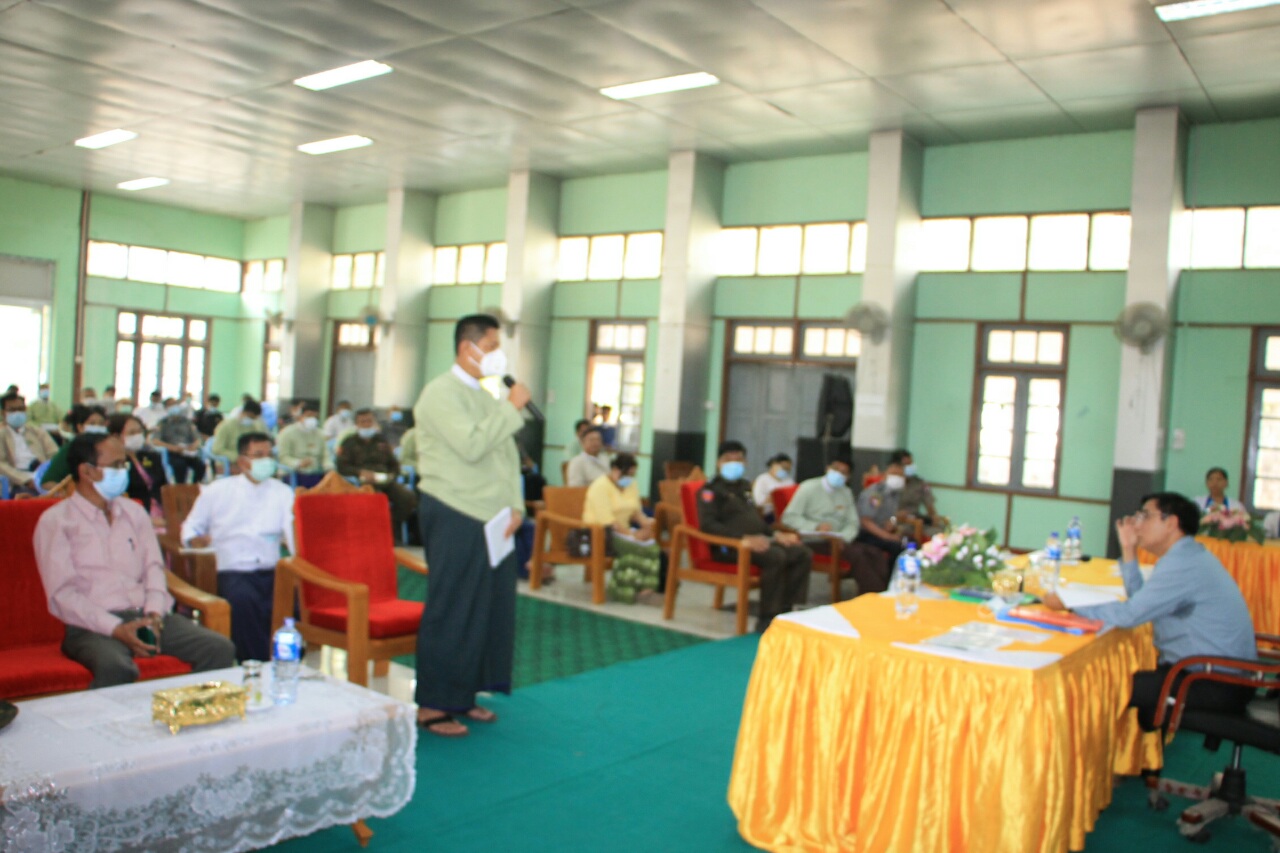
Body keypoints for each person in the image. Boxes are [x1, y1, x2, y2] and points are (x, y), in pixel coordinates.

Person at [33, 433, 235, 688]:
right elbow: (63, 595)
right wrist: (116, 628)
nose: (124, 471)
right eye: (116, 465)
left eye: (125, 464)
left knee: (218, 648)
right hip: (92, 626)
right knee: (116, 667)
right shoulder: (57, 521)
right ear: (87, 471)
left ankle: (192, 709)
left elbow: (154, 569)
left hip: (148, 615)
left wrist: (154, 613)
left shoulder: (134, 512)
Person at [1045, 493, 1256, 731]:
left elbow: (1130, 615)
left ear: (1171, 523)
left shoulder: (1182, 564)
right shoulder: (1186, 556)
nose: (1136, 524)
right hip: (1213, 673)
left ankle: (1088, 753)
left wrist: (1069, 604)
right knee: (1119, 682)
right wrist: (1128, 550)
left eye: (1145, 516)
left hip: (1215, 682)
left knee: (1103, 685)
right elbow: (1143, 603)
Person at [412, 314, 531, 737]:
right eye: (493, 345)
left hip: (492, 516)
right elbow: (472, 445)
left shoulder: (485, 394)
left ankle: (464, 694)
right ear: (468, 348)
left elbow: (506, 456)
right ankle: (433, 704)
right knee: (454, 607)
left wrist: (516, 506)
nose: (499, 355)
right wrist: (511, 407)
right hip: (455, 509)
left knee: (487, 609)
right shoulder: (439, 394)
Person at [182, 432, 295, 663]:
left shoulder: (283, 492)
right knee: (243, 602)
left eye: (270, 455)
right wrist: (194, 539)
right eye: (259, 455)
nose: (267, 461)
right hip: (233, 569)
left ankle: (284, 662)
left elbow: (293, 535)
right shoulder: (218, 490)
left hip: (272, 569)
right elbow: (192, 525)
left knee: (293, 603)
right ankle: (256, 663)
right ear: (243, 462)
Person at [698, 440, 812, 632]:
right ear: (718, 463)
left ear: (745, 462)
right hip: (729, 546)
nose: (734, 463)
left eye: (738, 459)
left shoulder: (744, 487)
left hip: (757, 541)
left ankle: (786, 610)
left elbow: (756, 520)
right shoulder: (710, 490)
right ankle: (767, 618)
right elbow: (708, 525)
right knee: (775, 556)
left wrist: (776, 534)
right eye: (728, 459)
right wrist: (742, 539)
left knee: (801, 552)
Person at [583, 452, 662, 602]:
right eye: (627, 474)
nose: (630, 478)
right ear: (615, 470)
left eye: (633, 475)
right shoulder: (600, 487)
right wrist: (633, 535)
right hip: (600, 533)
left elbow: (635, 512)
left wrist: (646, 526)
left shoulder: (631, 485)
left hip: (623, 531)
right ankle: (623, 590)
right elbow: (608, 522)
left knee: (653, 547)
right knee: (636, 548)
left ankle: (642, 588)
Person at [336, 408, 417, 541]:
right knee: (376, 498)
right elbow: (342, 467)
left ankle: (391, 528)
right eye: (362, 422)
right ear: (356, 424)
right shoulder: (349, 443)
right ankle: (373, 534)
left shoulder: (381, 441)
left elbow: (394, 464)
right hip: (362, 481)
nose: (366, 424)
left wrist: (391, 475)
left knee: (407, 498)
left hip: (385, 479)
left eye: (369, 421)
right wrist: (359, 473)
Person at [107, 414, 167, 518]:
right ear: (116, 436)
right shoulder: (113, 463)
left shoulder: (151, 456)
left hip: (162, 510)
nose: (137, 436)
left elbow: (164, 485)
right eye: (132, 433)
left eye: (140, 431)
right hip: (134, 513)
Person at [1, 391, 59, 494]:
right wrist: (26, 480)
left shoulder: (37, 431)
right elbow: (2, 465)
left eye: (21, 409)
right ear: (3, 413)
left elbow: (54, 454)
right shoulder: (2, 435)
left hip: (42, 475)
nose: (17, 413)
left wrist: (47, 475)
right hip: (17, 480)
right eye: (12, 410)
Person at [40, 404, 108, 487]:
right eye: (92, 424)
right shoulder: (70, 449)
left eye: (101, 424)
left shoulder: (110, 449)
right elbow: (47, 483)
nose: (97, 427)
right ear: (80, 427)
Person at [855, 457, 907, 562]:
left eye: (900, 475)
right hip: (866, 534)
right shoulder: (875, 494)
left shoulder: (895, 493)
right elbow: (866, 521)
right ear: (884, 475)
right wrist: (887, 536)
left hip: (882, 531)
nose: (897, 478)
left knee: (910, 543)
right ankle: (890, 573)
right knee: (897, 546)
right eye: (894, 474)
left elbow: (893, 516)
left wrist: (892, 523)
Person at [150, 398, 206, 484]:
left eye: (175, 404)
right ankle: (180, 486)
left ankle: (195, 486)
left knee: (201, 466)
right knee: (180, 466)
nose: (174, 407)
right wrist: (171, 447)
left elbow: (197, 438)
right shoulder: (163, 423)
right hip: (172, 452)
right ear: (166, 408)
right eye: (170, 405)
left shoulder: (187, 422)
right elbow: (155, 440)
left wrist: (194, 445)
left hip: (188, 451)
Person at [892, 448, 945, 538]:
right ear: (896, 467)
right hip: (898, 521)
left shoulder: (919, 483)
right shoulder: (892, 484)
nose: (910, 467)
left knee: (941, 529)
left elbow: (930, 506)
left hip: (917, 519)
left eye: (911, 464)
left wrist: (934, 517)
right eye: (907, 465)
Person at [277, 403, 329, 488]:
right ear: (300, 417)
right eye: (309, 416)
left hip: (316, 473)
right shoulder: (287, 433)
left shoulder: (320, 434)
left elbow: (326, 455)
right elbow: (283, 457)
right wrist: (298, 463)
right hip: (294, 473)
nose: (312, 419)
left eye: (315, 417)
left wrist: (329, 468)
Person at [211, 399, 267, 470]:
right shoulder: (226, 426)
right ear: (243, 412)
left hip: (249, 462)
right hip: (228, 462)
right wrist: (237, 457)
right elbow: (217, 449)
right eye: (250, 417)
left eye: (254, 419)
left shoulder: (253, 427)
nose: (251, 420)